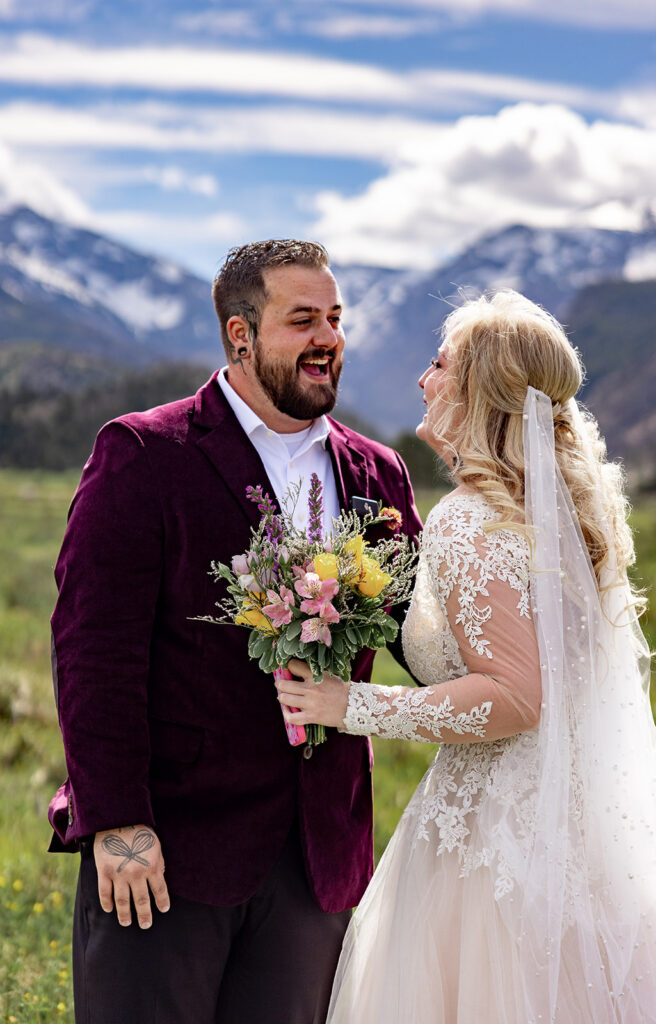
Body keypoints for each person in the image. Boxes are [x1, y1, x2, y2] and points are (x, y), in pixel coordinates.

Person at [276, 289, 656, 1024]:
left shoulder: (470, 519)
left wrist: (352, 706)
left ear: (477, 390)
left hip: (494, 843)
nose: (422, 380)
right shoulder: (558, 510)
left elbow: (516, 697)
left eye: (438, 364)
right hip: (578, 831)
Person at [47, 239, 422, 1024]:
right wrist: (117, 821)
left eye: (335, 318)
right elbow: (93, 651)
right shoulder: (145, 452)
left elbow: (418, 631)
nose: (327, 339)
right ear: (240, 334)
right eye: (302, 320)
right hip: (166, 847)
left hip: (316, 858)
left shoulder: (377, 474)